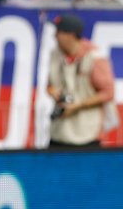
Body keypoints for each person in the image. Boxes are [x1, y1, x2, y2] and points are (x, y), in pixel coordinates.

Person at [47, 13, 117, 148]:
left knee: (84, 169)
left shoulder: (95, 57)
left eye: (58, 32)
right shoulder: (55, 54)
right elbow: (49, 85)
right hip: (58, 132)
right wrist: (53, 92)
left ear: (70, 35)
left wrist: (78, 106)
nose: (54, 36)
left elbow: (108, 93)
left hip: (86, 134)